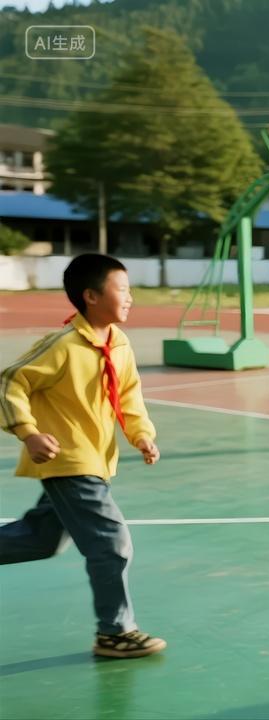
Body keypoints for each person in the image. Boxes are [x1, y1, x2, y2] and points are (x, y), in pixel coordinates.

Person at [0, 253, 166, 659]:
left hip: (96, 459)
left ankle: (115, 630)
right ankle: (115, 632)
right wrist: (28, 432)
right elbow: (9, 383)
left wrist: (141, 434)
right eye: (121, 290)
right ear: (91, 296)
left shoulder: (119, 344)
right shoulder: (62, 346)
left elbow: (128, 396)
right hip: (68, 460)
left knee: (39, 540)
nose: (129, 298)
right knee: (111, 542)